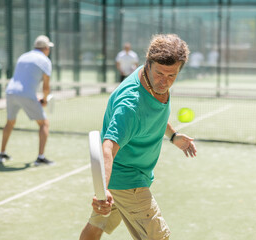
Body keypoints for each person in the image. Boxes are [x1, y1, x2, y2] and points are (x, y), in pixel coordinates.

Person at [80, 34, 197, 240]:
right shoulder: (130, 105)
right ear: (148, 64)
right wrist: (103, 190)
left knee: (96, 226)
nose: (164, 81)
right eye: (160, 73)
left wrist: (173, 136)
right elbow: (108, 147)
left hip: (124, 179)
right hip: (128, 181)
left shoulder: (152, 81)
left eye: (172, 76)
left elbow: (153, 114)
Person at [0, 35, 54, 166]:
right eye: (48, 48)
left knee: (10, 122)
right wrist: (44, 100)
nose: (49, 50)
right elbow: (46, 86)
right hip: (26, 94)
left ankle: (2, 153)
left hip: (10, 91)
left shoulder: (23, 56)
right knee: (44, 123)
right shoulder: (45, 61)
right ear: (46, 48)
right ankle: (41, 157)